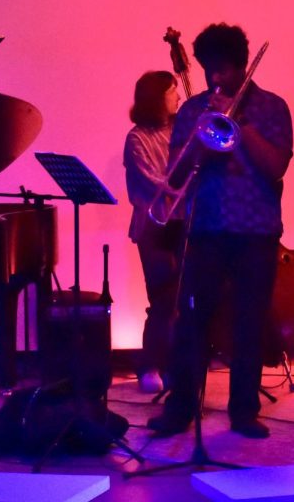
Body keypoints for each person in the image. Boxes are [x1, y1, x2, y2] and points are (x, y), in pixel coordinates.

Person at [147, 23, 292, 439]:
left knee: (249, 323)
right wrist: (201, 137)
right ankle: (180, 409)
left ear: (242, 66)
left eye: (224, 70)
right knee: (192, 321)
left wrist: (240, 126)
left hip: (256, 231)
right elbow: (177, 171)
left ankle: (244, 412)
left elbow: (276, 167)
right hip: (205, 228)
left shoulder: (273, 108)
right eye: (210, 69)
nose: (216, 78)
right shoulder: (194, 110)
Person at [123, 70, 183, 393]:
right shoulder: (136, 138)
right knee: (162, 298)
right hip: (155, 226)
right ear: (157, 98)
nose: (179, 97)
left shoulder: (180, 130)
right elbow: (157, 182)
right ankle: (149, 365)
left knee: (181, 299)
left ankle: (175, 365)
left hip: (183, 222)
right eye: (173, 92)